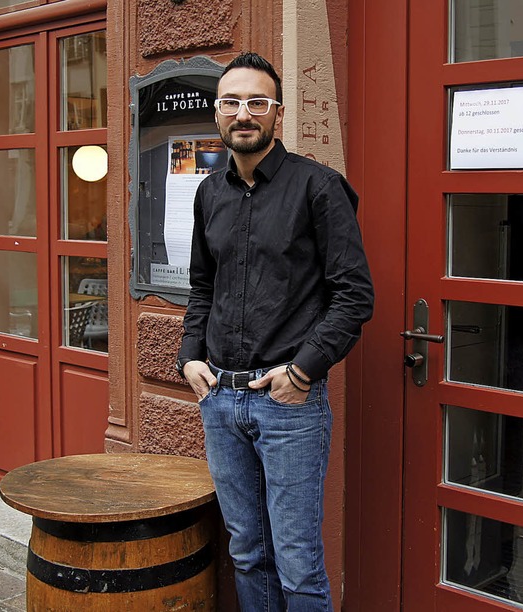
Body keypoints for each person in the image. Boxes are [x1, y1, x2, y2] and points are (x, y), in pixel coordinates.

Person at [177, 52, 374, 612]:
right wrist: (192, 358)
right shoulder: (209, 192)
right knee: (246, 551)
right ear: (217, 113)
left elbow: (355, 295)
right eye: (232, 102)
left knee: (298, 562)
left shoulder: (318, 187)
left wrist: (303, 370)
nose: (244, 113)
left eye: (257, 102)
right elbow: (201, 286)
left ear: (277, 113)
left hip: (288, 403)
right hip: (219, 397)